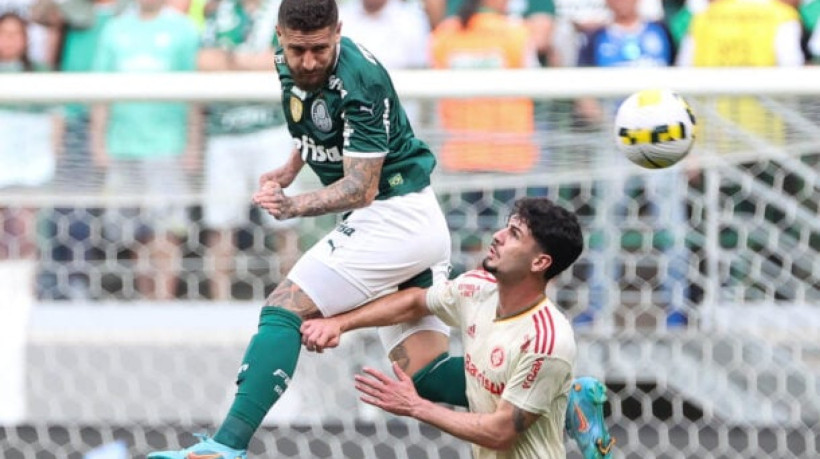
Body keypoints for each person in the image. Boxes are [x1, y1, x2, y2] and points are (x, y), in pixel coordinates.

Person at [147, 0, 456, 456]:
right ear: (279, 37)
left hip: (394, 215)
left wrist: (293, 206)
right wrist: (293, 167)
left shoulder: (360, 81)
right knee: (425, 377)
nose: (308, 61)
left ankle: (225, 446)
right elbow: (314, 121)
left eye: (319, 50)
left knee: (285, 308)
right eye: (297, 50)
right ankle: (565, 400)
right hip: (409, 221)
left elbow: (361, 188)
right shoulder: (285, 60)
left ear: (338, 32)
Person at [301, 197, 614, 459]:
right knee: (423, 374)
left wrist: (415, 406)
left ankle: (562, 396)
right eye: (505, 225)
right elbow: (414, 303)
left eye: (514, 234)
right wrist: (339, 324)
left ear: (539, 263)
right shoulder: (476, 287)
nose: (498, 235)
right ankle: (568, 399)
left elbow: (500, 433)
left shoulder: (547, 341)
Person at [575, 0, 690, 327]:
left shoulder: (661, 32)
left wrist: (690, 147)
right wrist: (613, 126)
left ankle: (678, 306)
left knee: (671, 224)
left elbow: (685, 87)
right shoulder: (596, 39)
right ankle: (598, 307)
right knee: (606, 226)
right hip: (614, 143)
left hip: (662, 140)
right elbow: (581, 94)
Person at [90, 0, 200, 300]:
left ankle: (165, 299)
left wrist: (193, 143)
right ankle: (145, 297)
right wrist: (98, 140)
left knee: (167, 230)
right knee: (135, 232)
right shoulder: (114, 28)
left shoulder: (184, 28)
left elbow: (197, 92)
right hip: (122, 146)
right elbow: (99, 90)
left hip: (168, 145)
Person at [197, 0, 302, 301]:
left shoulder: (282, 12)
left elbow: (289, 61)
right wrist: (256, 62)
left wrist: (232, 60)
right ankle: (220, 304)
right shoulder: (219, 12)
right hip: (224, 132)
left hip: (271, 128)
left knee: (285, 222)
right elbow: (204, 62)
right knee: (220, 224)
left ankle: (292, 304)